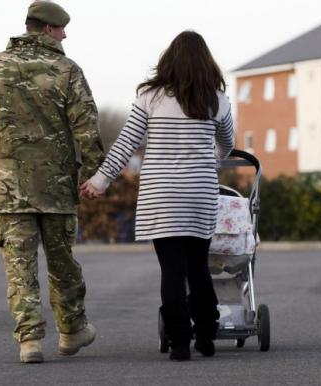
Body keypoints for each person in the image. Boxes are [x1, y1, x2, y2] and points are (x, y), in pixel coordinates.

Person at [0, 1, 105, 364]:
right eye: (61, 28)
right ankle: (71, 333)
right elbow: (86, 126)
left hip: (8, 190)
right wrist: (93, 174)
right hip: (55, 188)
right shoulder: (68, 69)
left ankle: (30, 342)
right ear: (47, 29)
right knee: (62, 262)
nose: (65, 34)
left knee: (19, 268)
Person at [80, 31, 235, 361]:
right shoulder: (217, 100)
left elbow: (125, 143)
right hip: (199, 194)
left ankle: (180, 343)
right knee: (199, 268)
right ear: (207, 62)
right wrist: (213, 159)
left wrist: (100, 180)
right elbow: (227, 143)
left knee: (172, 271)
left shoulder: (150, 97)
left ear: (169, 60)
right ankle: (206, 336)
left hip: (161, 196)